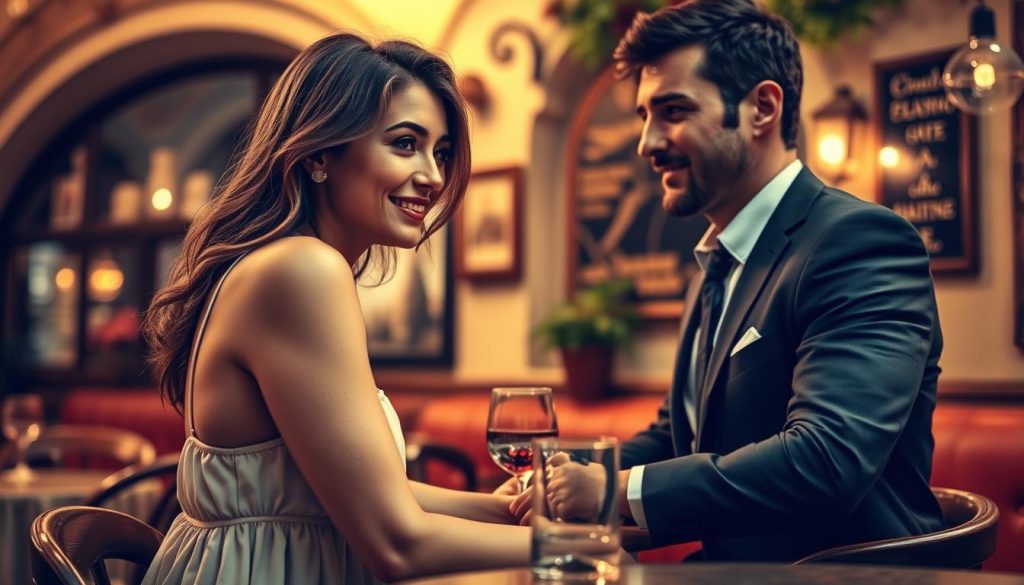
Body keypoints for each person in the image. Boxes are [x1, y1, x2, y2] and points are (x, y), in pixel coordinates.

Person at [514, 0, 945, 562]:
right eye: (644, 115)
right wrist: (563, 476)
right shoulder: (717, 266)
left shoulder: (859, 241)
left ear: (762, 108)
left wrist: (613, 491)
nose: (646, 142)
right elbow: (677, 436)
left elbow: (826, 458)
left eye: (672, 111)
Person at [141, 33, 529, 584]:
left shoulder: (289, 266)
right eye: (404, 144)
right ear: (321, 151)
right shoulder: (301, 271)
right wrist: (587, 541)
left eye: (440, 152)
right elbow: (397, 545)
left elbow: (353, 495)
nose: (434, 176)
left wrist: (505, 506)